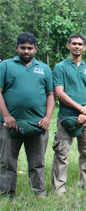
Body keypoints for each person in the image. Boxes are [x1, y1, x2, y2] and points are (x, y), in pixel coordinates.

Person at [0, 32, 55, 199]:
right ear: (16, 48)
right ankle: (6, 194)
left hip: (37, 124)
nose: (26, 51)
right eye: (22, 48)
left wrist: (47, 118)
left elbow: (50, 95)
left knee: (37, 162)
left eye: (30, 48)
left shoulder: (44, 68)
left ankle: (39, 193)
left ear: (35, 49)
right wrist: (7, 116)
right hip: (10, 124)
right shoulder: (6, 66)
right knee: (7, 162)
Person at [51, 33, 86, 196]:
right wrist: (81, 109)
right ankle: (58, 187)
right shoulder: (60, 67)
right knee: (62, 153)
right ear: (68, 46)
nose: (77, 46)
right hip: (67, 117)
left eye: (80, 44)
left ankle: (85, 184)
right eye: (74, 43)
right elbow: (59, 93)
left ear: (84, 47)